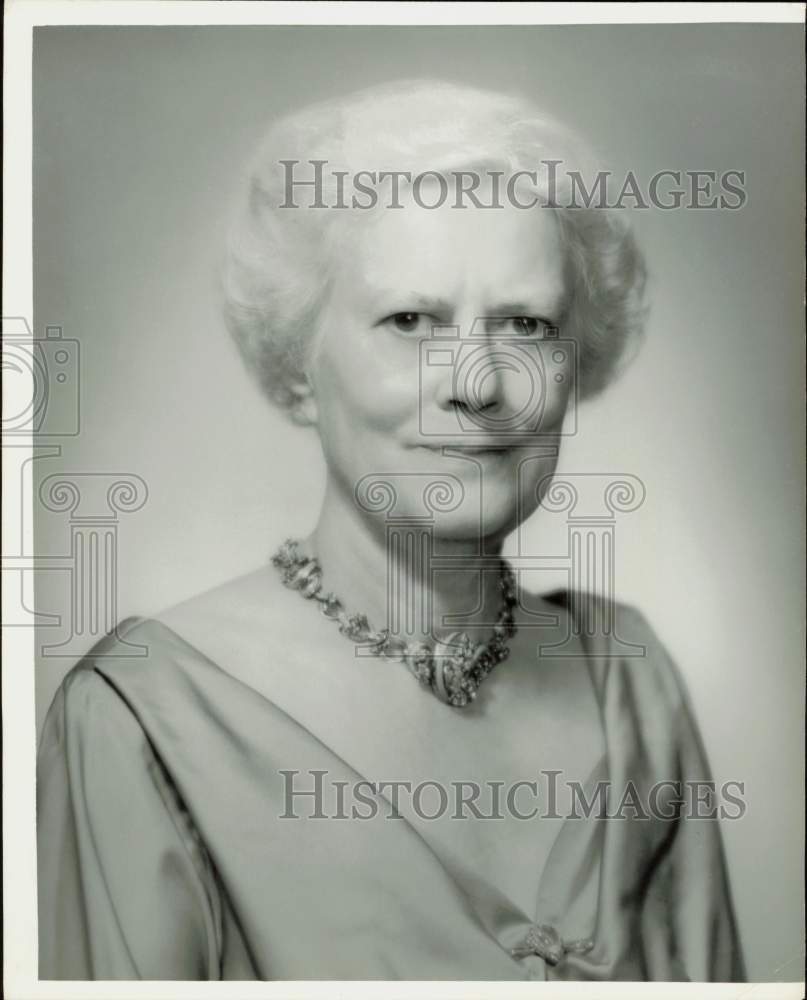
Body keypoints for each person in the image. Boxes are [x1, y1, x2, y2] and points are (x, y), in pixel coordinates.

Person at [37, 79, 745, 981]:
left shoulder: (628, 685)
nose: (476, 385)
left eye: (525, 324)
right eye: (410, 321)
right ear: (298, 368)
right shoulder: (141, 722)